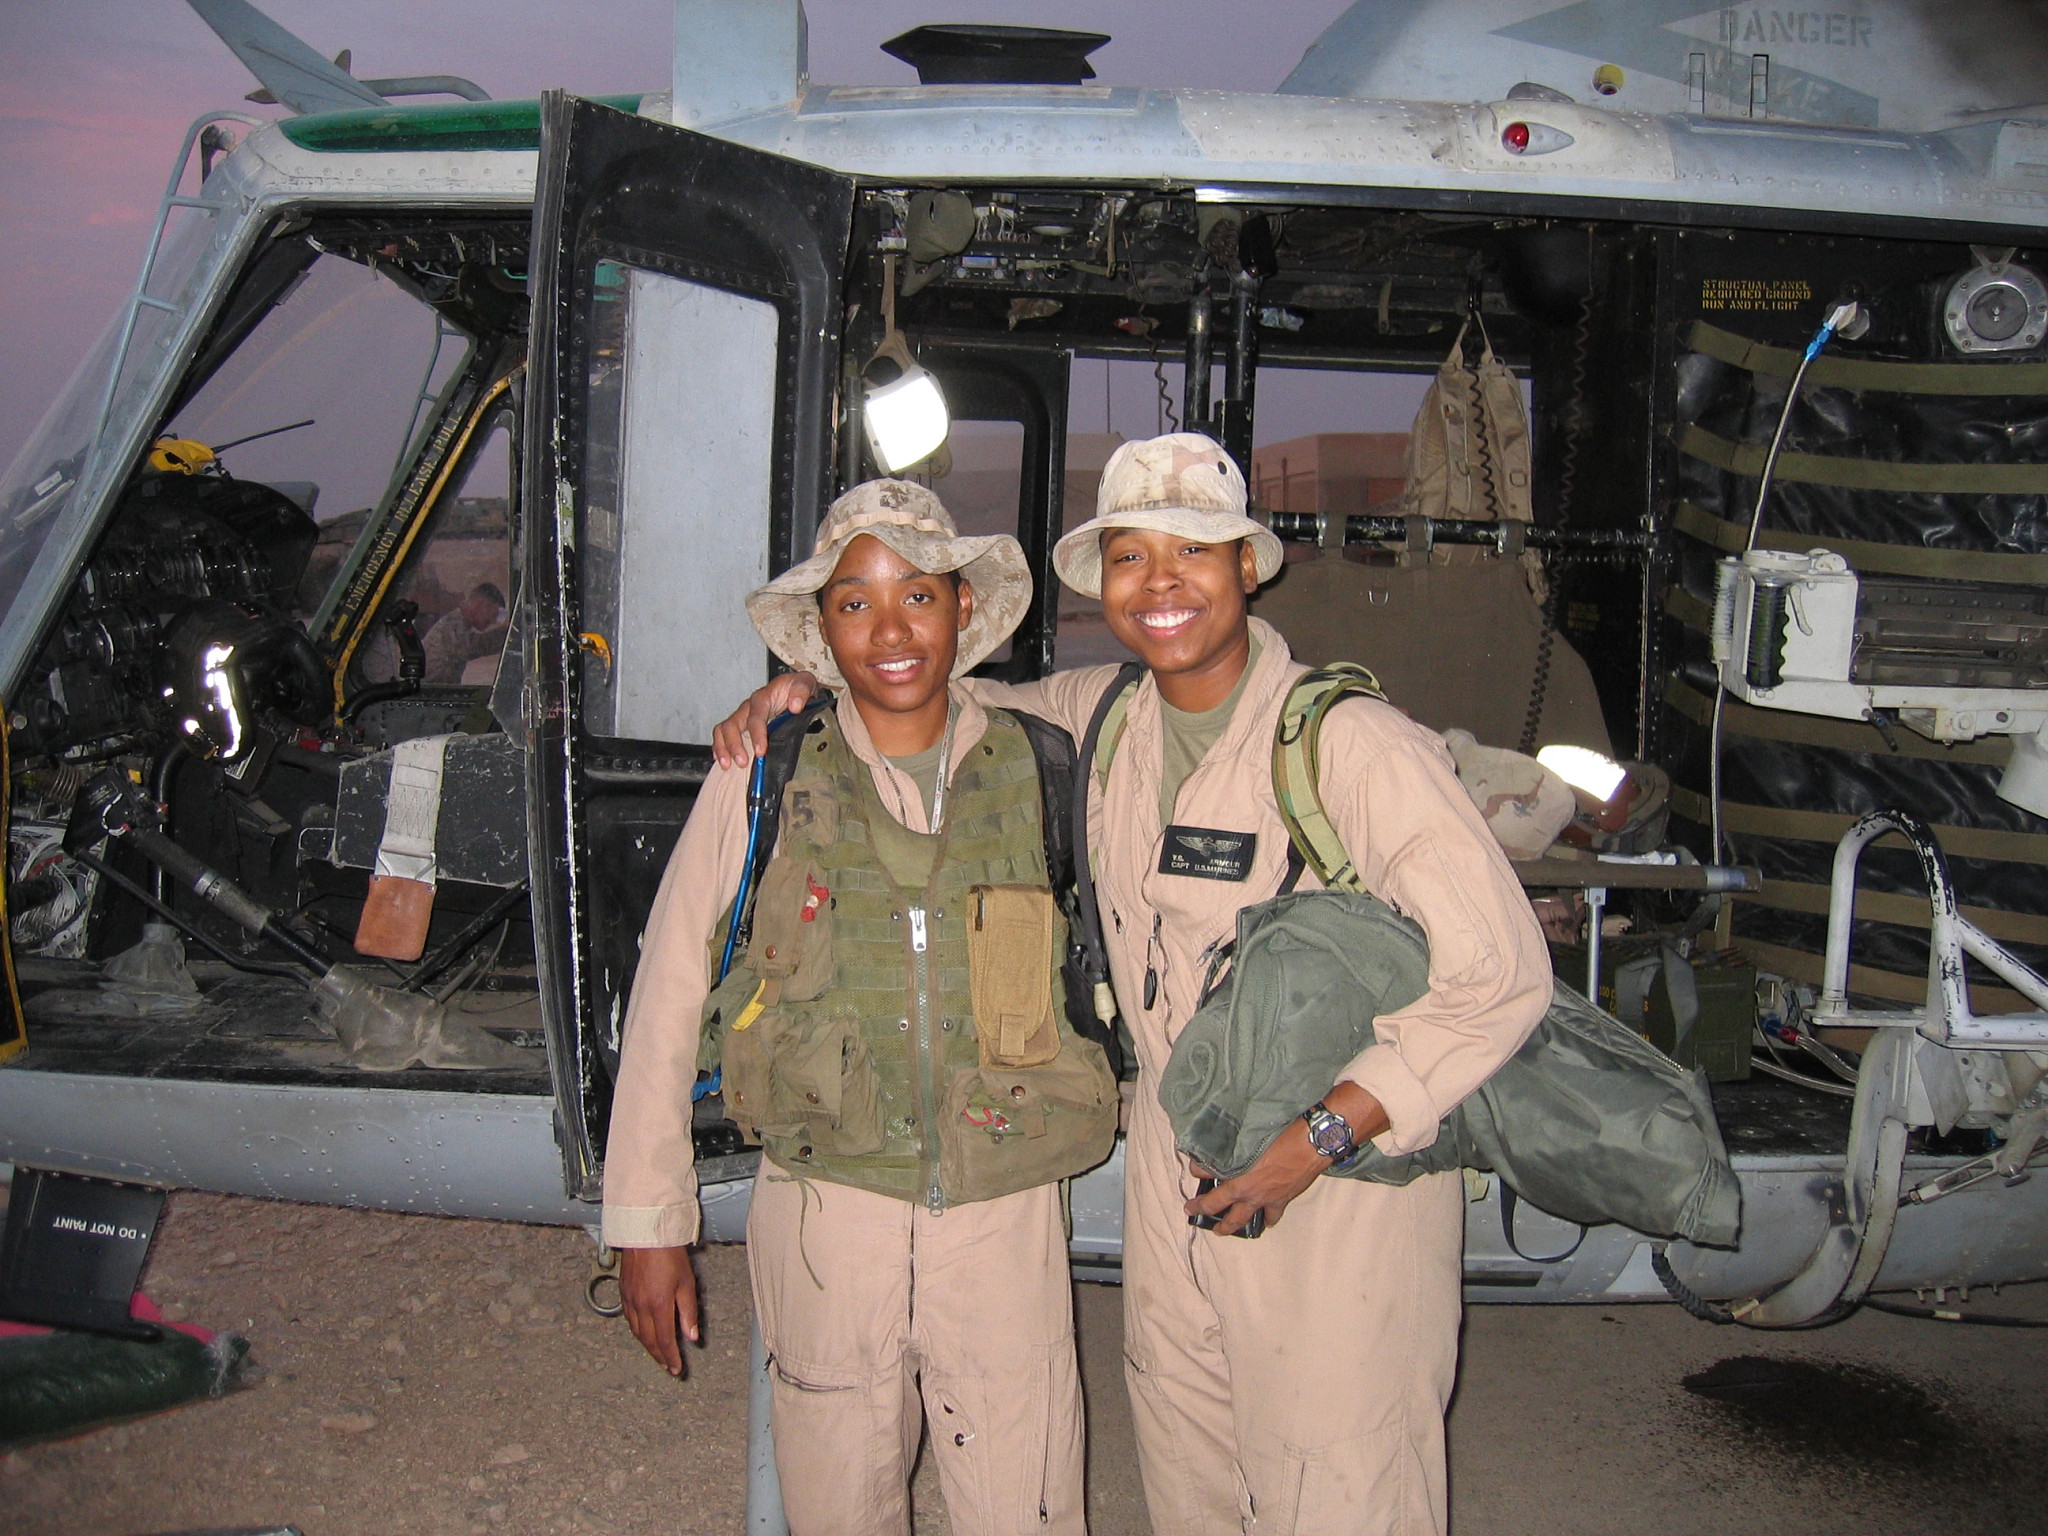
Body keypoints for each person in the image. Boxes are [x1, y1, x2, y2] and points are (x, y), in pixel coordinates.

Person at [716, 434, 1551, 1535]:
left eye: (1193, 550)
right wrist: (799, 692)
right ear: (1101, 582)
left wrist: (1317, 1138)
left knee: (1339, 1484)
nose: (1161, 583)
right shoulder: (1098, 720)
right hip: (1174, 1167)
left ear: (1247, 567)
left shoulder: (1353, 746)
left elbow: (1501, 973)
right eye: (1129, 557)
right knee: (1189, 1477)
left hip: (1336, 1179)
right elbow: (927, 697)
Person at [604, 479, 1116, 1536]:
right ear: (822, 629)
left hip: (1003, 1212)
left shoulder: (1042, 756)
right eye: (854, 603)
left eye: (917, 595)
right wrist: (647, 1224)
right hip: (823, 1217)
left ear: (962, 606)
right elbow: (668, 989)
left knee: (1026, 1507)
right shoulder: (763, 773)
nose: (889, 631)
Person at [421, 580, 506, 683]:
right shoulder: (452, 624)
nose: (492, 622)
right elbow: (474, 647)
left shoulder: (458, 624)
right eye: (493, 615)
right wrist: (508, 634)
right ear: (480, 605)